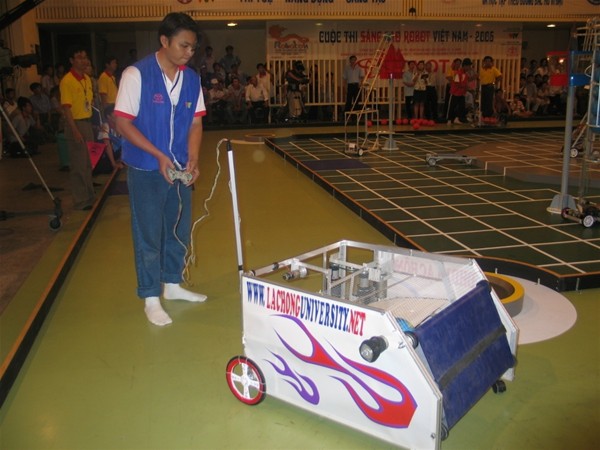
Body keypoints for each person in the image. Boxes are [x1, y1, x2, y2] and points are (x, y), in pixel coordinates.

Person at [114, 12, 207, 326]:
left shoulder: (191, 80)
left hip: (179, 168)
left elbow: (195, 123)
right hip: (146, 169)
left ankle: (172, 284)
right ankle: (151, 297)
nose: (189, 52)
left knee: (178, 229)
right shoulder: (136, 75)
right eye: (183, 45)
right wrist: (157, 155)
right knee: (149, 233)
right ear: (164, 40)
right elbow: (123, 123)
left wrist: (193, 158)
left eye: (193, 47)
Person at [60, 45, 96, 210]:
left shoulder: (87, 79)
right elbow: (67, 109)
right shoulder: (67, 81)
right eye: (79, 58)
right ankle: (81, 200)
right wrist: (74, 130)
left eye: (85, 57)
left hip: (87, 122)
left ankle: (89, 195)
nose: (84, 61)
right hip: (76, 123)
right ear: (71, 61)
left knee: (88, 163)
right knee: (78, 165)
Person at [447, 58, 472, 125]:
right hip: (455, 92)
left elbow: (466, 83)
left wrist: (464, 91)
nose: (469, 68)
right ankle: (449, 119)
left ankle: (457, 118)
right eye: (468, 66)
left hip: (461, 93)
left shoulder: (465, 74)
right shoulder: (458, 73)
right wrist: (464, 86)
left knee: (461, 106)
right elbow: (456, 83)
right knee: (452, 106)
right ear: (465, 66)